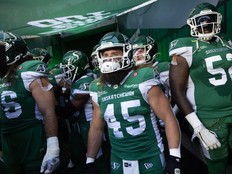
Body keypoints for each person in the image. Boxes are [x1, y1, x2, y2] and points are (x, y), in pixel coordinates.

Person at [86, 31, 181, 174]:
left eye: (114, 54)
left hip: (149, 156)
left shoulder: (143, 77)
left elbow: (168, 117)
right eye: (105, 55)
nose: (109, 59)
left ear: (127, 53)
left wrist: (175, 157)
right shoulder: (97, 87)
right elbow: (96, 127)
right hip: (118, 159)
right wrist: (90, 160)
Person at [169, 2, 232, 174]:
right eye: (200, 20)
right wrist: (199, 127)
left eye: (209, 18)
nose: (205, 23)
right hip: (210, 118)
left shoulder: (226, 41)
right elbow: (177, 91)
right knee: (217, 165)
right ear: (192, 23)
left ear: (217, 19)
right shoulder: (186, 46)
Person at [0, 31, 60, 174]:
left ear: (13, 50)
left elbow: (49, 111)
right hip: (9, 145)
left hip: (33, 140)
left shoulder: (28, 71)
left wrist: (53, 146)